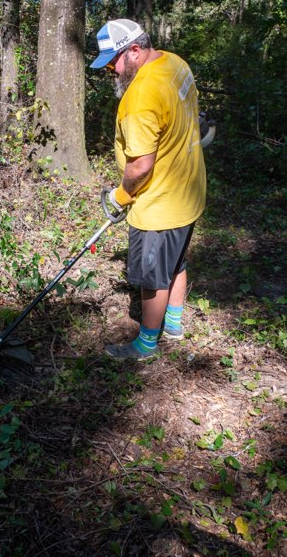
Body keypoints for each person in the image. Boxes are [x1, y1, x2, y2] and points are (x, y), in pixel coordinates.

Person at [90, 18, 207, 360]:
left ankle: (146, 345)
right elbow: (191, 116)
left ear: (135, 51)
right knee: (176, 263)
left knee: (152, 277)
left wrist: (119, 196)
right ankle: (173, 324)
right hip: (189, 192)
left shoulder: (140, 96)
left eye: (114, 61)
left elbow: (141, 165)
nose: (111, 70)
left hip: (159, 205)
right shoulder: (176, 64)